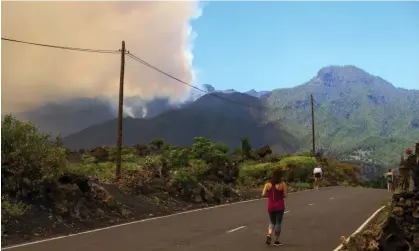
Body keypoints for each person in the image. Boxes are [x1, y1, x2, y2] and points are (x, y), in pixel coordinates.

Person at [262, 169, 287, 246]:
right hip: (280, 206)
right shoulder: (282, 184)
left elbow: (263, 194)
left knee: (272, 222)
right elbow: (285, 195)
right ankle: (276, 241)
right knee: (278, 223)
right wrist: (281, 195)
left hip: (270, 206)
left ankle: (269, 234)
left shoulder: (267, 184)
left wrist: (269, 195)